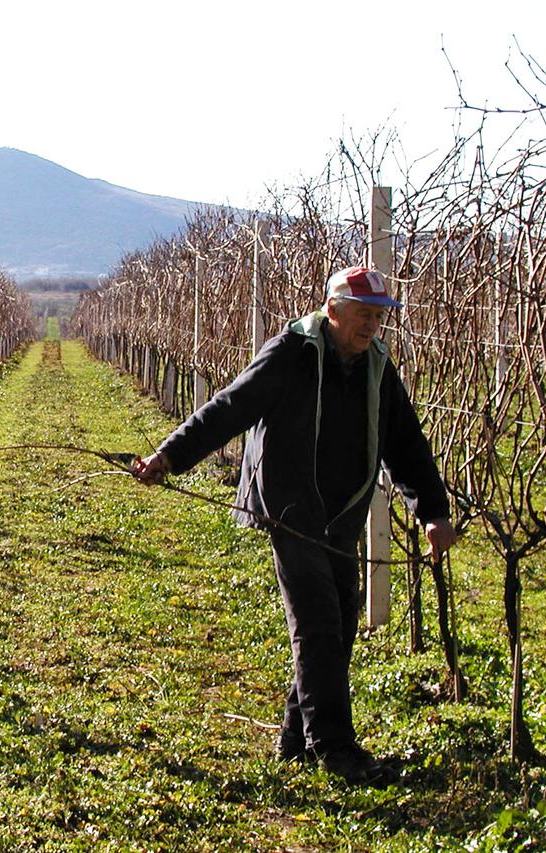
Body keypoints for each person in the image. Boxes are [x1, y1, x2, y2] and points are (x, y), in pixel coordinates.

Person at [133, 265, 457, 786]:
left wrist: (433, 511)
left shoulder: (375, 364)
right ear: (333, 310)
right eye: (363, 315)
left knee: (340, 624)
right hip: (291, 508)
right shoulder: (292, 352)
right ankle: (335, 748)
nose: (372, 325)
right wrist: (169, 456)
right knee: (318, 624)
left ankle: (296, 739)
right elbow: (229, 408)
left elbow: (405, 441)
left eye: (379, 316)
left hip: (343, 512)